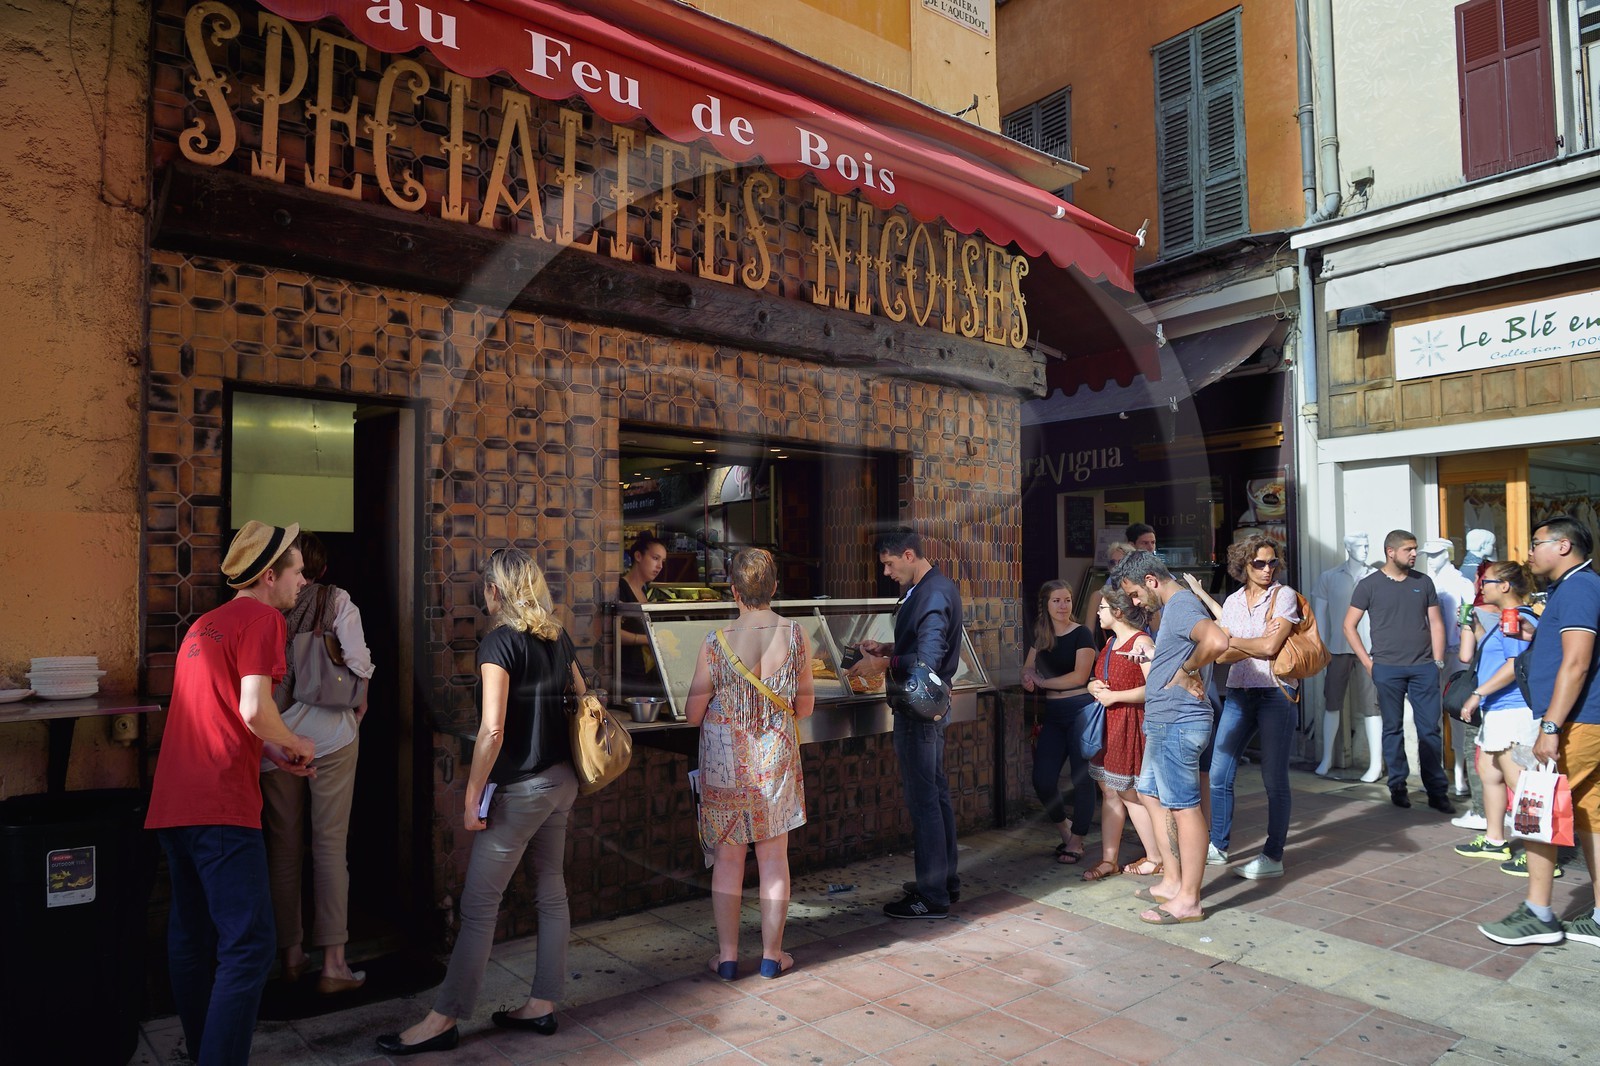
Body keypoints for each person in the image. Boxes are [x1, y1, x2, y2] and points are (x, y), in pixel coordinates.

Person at [378, 548, 580, 1055]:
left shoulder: (498, 643)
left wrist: (472, 796)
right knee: (551, 892)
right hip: (562, 781)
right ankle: (542, 1006)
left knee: (479, 905)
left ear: (494, 590)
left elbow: (492, 729)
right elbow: (581, 694)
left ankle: (442, 1020)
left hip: (523, 790)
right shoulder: (557, 636)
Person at [145, 520, 317, 1066]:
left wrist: (271, 752)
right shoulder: (264, 619)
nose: (303, 581)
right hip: (222, 808)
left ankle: (204, 1054)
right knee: (249, 948)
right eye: (296, 571)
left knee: (194, 941)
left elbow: (219, 714)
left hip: (174, 805)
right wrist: (293, 739)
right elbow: (251, 709)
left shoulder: (204, 626)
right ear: (270, 575)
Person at [684, 549, 814, 979]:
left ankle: (726, 957)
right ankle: (772, 957)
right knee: (774, 857)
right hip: (773, 759)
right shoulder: (796, 635)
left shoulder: (714, 642)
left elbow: (693, 714)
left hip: (725, 762)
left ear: (734, 591)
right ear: (774, 587)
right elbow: (805, 706)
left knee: (728, 858)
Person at [261, 531, 374, 994]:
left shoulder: (263, 605)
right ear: (320, 570)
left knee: (282, 851)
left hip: (275, 740)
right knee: (330, 848)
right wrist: (360, 699)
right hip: (330, 735)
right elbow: (360, 663)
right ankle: (334, 965)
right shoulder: (337, 599)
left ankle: (289, 954)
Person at [1480, 516, 1600, 948]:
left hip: (1578, 720)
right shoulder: (1573, 589)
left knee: (1538, 805)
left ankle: (1539, 913)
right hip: (1584, 718)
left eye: (1536, 543)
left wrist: (1550, 725)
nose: (1529, 553)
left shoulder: (1581, 588)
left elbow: (1577, 663)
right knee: (1589, 815)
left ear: (1564, 546)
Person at [846, 526, 964, 919]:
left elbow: (928, 659)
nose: (886, 572)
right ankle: (945, 881)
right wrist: (889, 648)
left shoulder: (930, 593)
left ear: (910, 556)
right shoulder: (933, 586)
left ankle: (931, 896)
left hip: (918, 713)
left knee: (924, 801)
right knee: (937, 794)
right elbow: (923, 645)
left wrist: (882, 663)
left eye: (889, 563)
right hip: (928, 710)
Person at [1110, 550, 1228, 924]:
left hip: (1179, 721)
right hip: (1165, 721)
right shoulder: (1175, 608)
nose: (1133, 602)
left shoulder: (1181, 604)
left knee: (1183, 806)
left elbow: (1217, 641)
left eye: (1133, 593)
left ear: (1150, 581)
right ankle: (1173, 882)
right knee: (1150, 792)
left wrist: (1186, 670)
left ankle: (1189, 900)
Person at [1187, 535, 1300, 879]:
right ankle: (1218, 846)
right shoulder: (1234, 601)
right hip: (1238, 691)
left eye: (1272, 563)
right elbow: (1222, 653)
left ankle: (1273, 855)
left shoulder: (1284, 597)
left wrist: (1236, 643)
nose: (1268, 569)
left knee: (1274, 779)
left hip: (1275, 692)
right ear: (1243, 566)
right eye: (1259, 563)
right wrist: (1245, 644)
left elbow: (1269, 648)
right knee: (1220, 773)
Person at [1343, 529, 1455, 814]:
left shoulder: (1423, 582)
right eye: (1408, 549)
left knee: (1429, 730)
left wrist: (1438, 661)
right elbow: (1348, 625)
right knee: (1391, 729)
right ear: (1391, 552)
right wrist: (1368, 663)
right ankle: (1398, 785)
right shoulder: (1369, 585)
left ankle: (1437, 791)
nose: (1414, 554)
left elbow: (1436, 622)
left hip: (1424, 668)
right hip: (1387, 668)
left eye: (1415, 548)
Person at [1451, 562, 1536, 866]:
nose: (1480, 586)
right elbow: (1476, 654)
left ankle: (1538, 855)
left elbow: (1513, 665)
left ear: (1505, 586)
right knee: (1489, 774)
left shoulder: (1516, 618)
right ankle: (1495, 839)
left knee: (1522, 784)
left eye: (1486, 581)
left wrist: (1478, 693)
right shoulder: (1503, 620)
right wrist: (1471, 625)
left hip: (1512, 711)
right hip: (1498, 710)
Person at [1082, 587, 1162, 882]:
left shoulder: (1141, 642)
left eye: (1102, 608)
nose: (1099, 613)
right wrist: (1094, 687)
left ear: (1117, 612)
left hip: (1130, 723)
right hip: (1110, 724)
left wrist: (1116, 697)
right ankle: (1109, 859)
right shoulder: (1112, 642)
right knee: (1110, 791)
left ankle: (1156, 857)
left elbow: (1153, 688)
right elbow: (1098, 678)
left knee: (1130, 792)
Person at [1021, 581, 1098, 865]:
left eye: (1067, 600)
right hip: (1053, 714)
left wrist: (1043, 681)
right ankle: (1065, 830)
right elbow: (1028, 666)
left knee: (1081, 778)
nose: (1063, 605)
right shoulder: (1042, 635)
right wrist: (1027, 677)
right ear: (1046, 605)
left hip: (1079, 709)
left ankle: (1077, 840)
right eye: (1057, 601)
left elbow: (1080, 677)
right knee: (1042, 779)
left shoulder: (1082, 634)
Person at [1313, 533, 1382, 782]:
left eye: (1366, 545)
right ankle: (1327, 757)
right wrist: (1321, 650)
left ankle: (1375, 763)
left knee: (1372, 706)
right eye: (1359, 546)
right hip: (1337, 648)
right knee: (1332, 702)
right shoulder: (1329, 577)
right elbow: (1319, 616)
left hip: (1369, 649)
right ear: (1347, 548)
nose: (1364, 550)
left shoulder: (1376, 576)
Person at [1423, 538, 1480, 802]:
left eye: (1435, 554)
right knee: (1429, 714)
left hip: (1457, 653)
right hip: (1430, 654)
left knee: (1457, 711)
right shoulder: (1425, 582)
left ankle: (1460, 774)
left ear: (1447, 555)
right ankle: (1433, 774)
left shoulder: (1461, 583)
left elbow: (1469, 618)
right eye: (1428, 555)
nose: (1430, 559)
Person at [617, 533, 668, 697]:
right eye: (655, 558)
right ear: (638, 556)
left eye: (662, 561)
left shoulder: (645, 591)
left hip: (647, 672)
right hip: (628, 675)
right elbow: (611, 632)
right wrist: (647, 639)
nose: (659, 566)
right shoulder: (621, 588)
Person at [1086, 540, 1135, 647]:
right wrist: (1097, 655)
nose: (1116, 566)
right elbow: (1088, 635)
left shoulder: (1139, 595)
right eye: (1112, 562)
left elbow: (1155, 632)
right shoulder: (1098, 596)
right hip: (1107, 652)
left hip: (1137, 652)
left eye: (1121, 562)